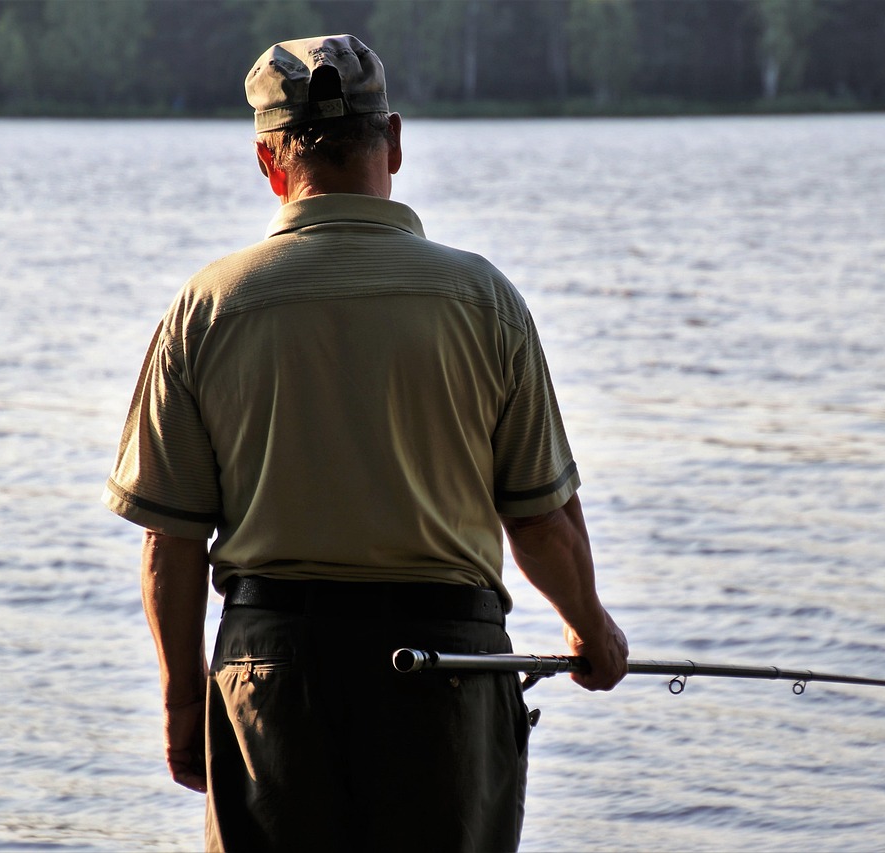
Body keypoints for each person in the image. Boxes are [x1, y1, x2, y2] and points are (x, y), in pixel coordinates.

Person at [103, 34, 628, 853]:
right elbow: (542, 523)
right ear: (392, 139)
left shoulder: (206, 307)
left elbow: (171, 545)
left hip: (268, 675)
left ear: (267, 161)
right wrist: (591, 633)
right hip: (448, 672)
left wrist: (183, 708)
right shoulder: (483, 300)